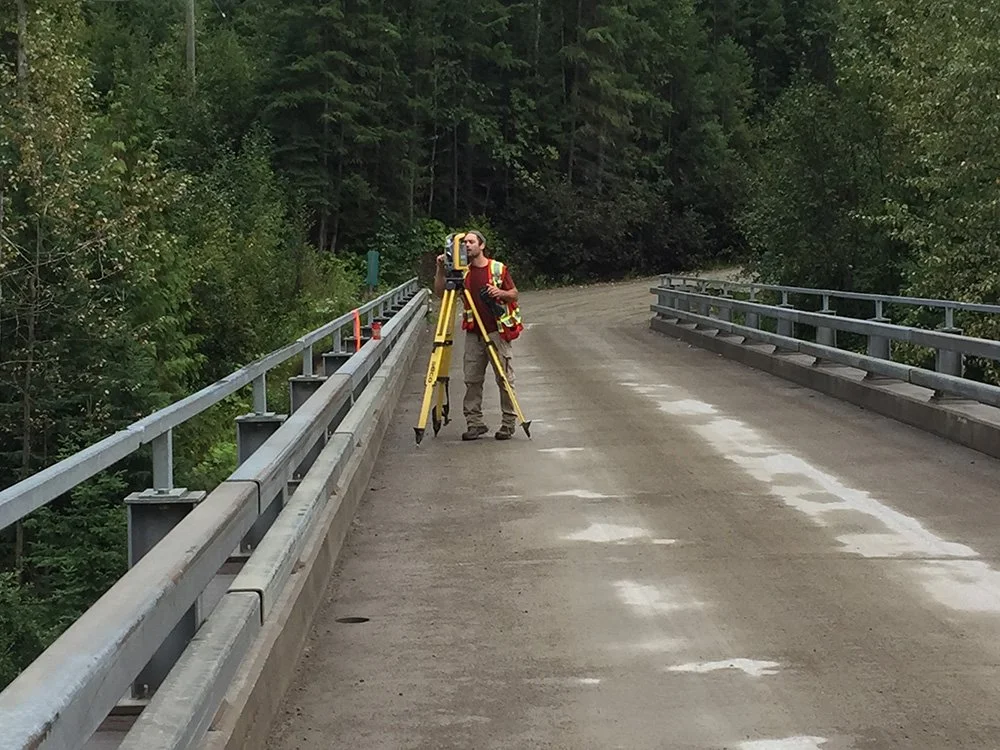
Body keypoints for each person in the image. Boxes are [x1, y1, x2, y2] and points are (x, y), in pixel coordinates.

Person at [434, 230, 524, 440]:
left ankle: (508, 423)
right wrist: (440, 269)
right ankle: (474, 423)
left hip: (497, 332)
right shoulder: (462, 272)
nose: (467, 245)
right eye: (464, 242)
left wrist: (500, 293)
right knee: (472, 380)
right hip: (474, 334)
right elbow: (440, 293)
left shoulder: (497, 268)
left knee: (504, 380)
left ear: (482, 245)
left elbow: (514, 294)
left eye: (471, 242)